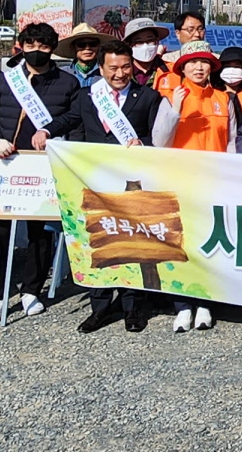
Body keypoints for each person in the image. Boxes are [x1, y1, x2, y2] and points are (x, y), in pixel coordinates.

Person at [0, 24, 85, 322]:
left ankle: (31, 290)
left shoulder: (67, 82)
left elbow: (74, 117)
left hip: (43, 164)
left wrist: (50, 130)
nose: (36, 50)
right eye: (30, 44)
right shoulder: (6, 81)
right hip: (7, 163)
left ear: (52, 48)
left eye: (43, 45)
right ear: (20, 46)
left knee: (40, 229)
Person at [70, 39, 172, 334]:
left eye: (125, 66)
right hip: (95, 179)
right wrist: (48, 133)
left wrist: (144, 145)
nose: (120, 73)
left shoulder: (148, 96)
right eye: (113, 67)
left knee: (131, 243)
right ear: (100, 68)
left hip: (131, 183)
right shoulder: (86, 95)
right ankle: (100, 307)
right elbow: (75, 128)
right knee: (98, 240)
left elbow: (158, 138)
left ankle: (133, 307)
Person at [154, 40, 237, 334]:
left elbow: (231, 143)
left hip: (214, 182)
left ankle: (205, 303)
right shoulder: (169, 97)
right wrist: (175, 109)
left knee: (209, 243)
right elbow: (159, 142)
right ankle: (182, 305)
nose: (199, 68)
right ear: (182, 67)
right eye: (192, 63)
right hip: (180, 182)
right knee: (181, 245)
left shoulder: (223, 99)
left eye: (204, 63)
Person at [123, 17, 171, 91]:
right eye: (139, 42)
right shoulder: (121, 73)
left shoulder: (173, 71)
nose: (145, 46)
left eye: (150, 40)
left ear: (157, 42)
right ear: (129, 45)